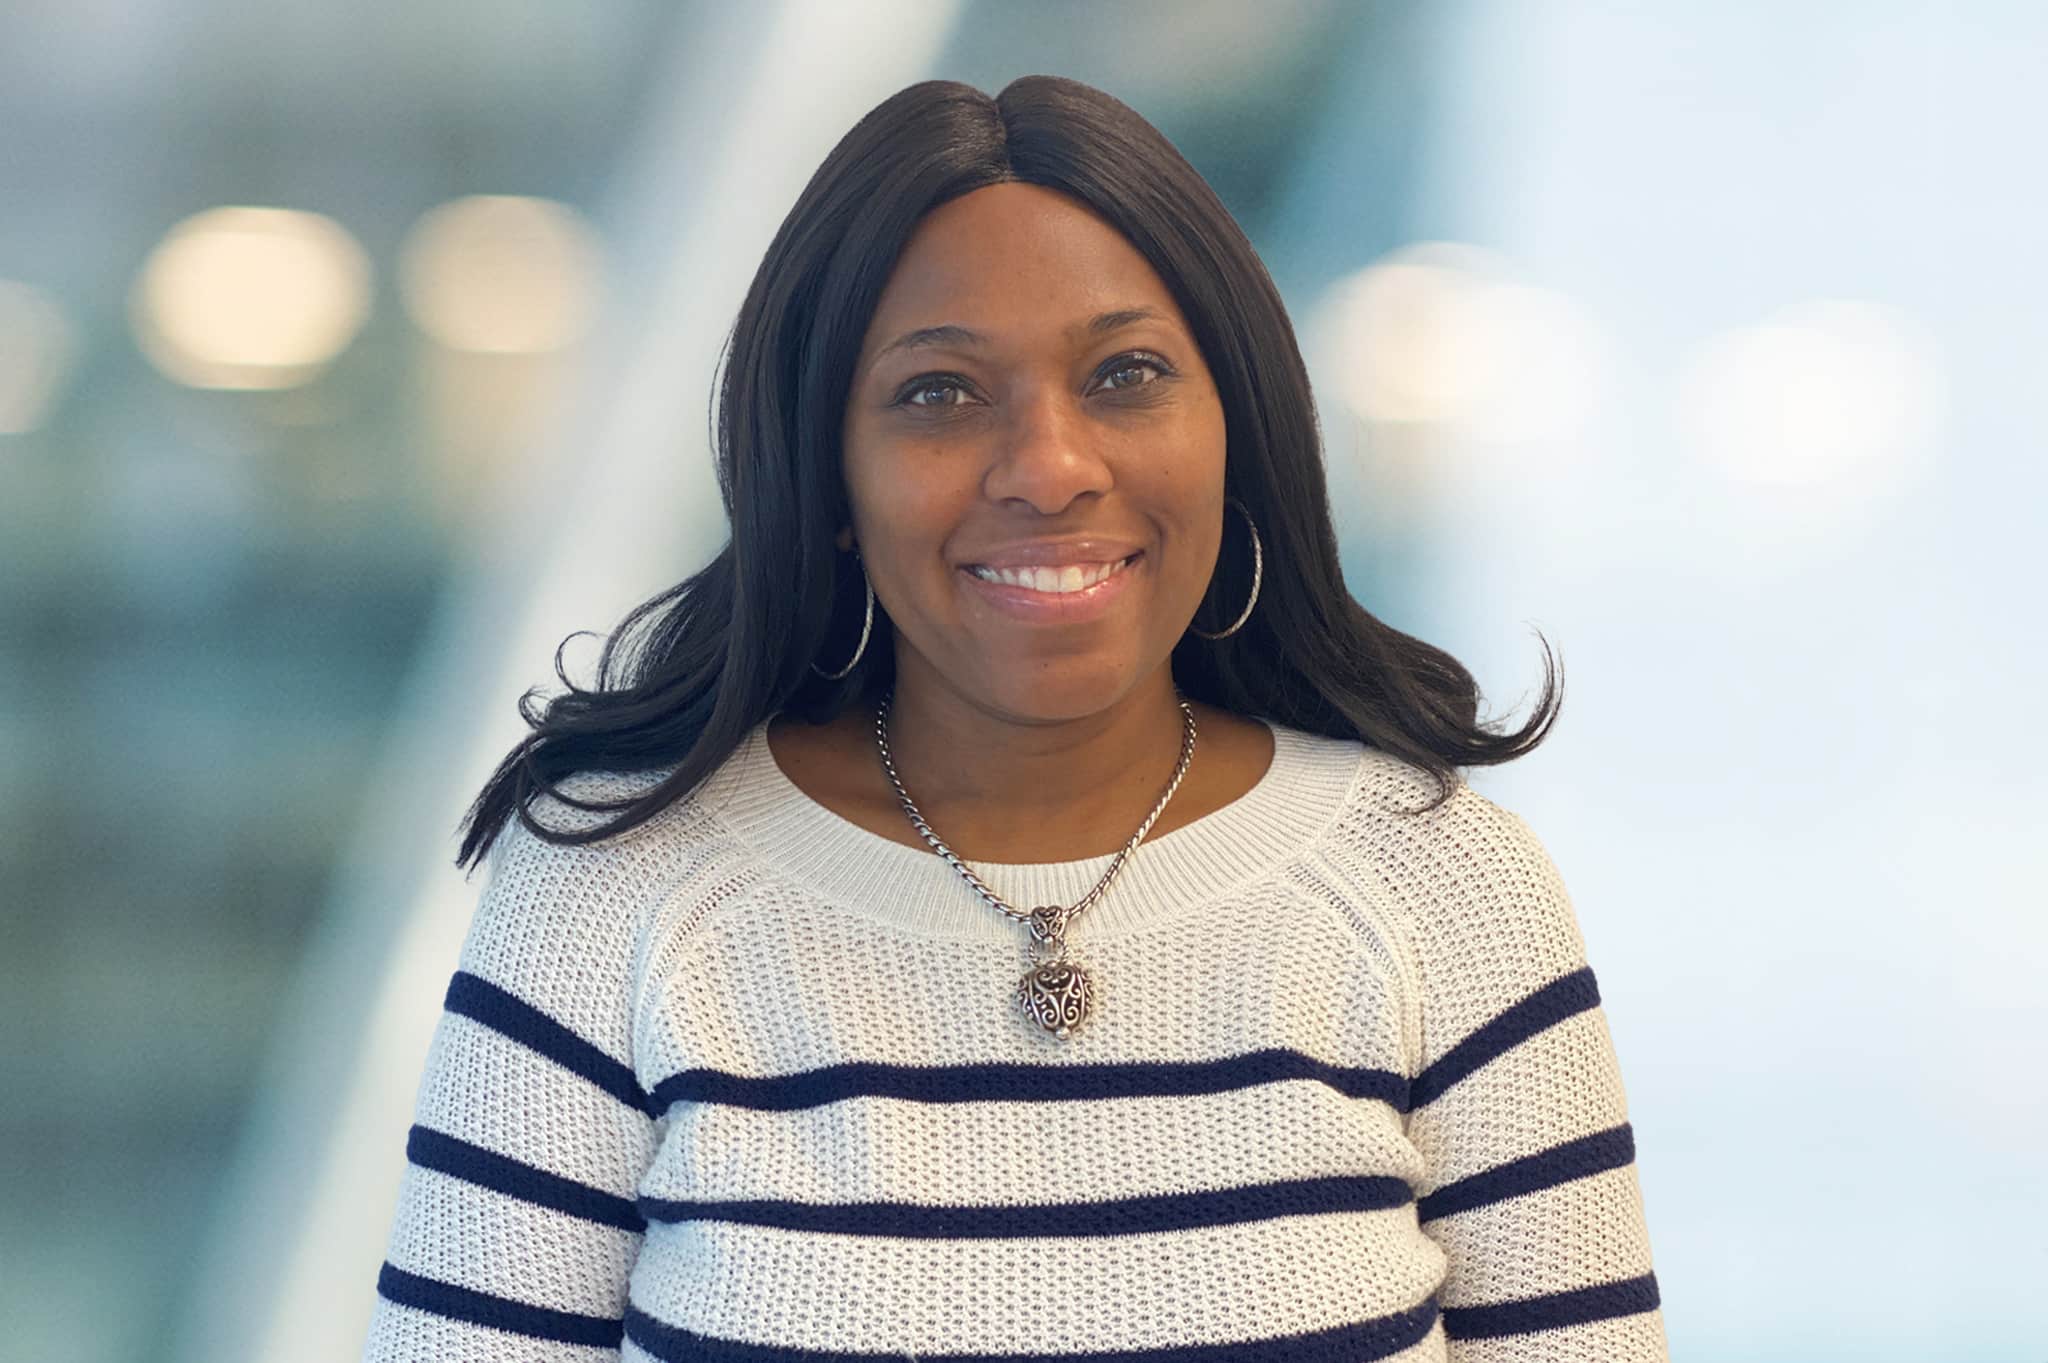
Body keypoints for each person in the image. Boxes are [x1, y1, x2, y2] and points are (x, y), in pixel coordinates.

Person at [362, 75, 1667, 1362]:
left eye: (1126, 374)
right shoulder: (612, 896)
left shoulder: (1447, 893)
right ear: (824, 468)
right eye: (939, 392)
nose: (1048, 465)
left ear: (1240, 431)